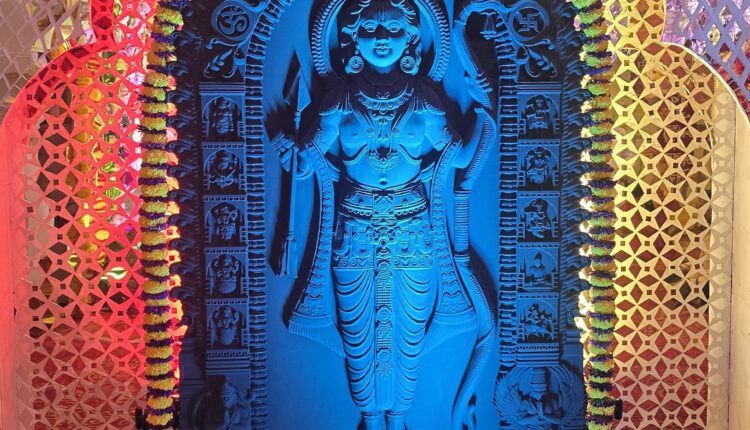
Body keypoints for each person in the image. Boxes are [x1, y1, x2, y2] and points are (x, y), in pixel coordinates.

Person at [276, 0, 488, 427]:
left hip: (413, 229)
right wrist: (291, 150)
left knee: (408, 334)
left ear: (411, 38)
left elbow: (460, 157)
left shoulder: (424, 101)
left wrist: (485, 113)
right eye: (370, 31)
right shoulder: (339, 101)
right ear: (353, 38)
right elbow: (307, 162)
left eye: (392, 31)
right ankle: (371, 418)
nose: (381, 40)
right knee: (357, 334)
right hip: (354, 228)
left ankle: (399, 418)